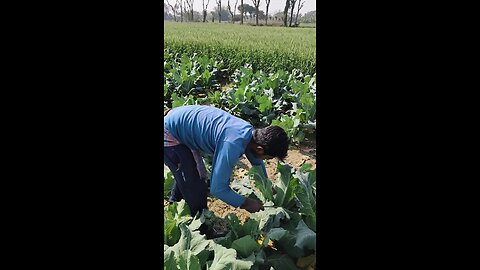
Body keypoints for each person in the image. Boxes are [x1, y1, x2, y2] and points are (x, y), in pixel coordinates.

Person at [163, 105, 289, 218]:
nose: (267, 160)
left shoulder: (249, 134)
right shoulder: (231, 144)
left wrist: (266, 184)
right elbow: (218, 189)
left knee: (190, 173)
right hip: (169, 133)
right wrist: (246, 203)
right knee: (196, 183)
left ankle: (175, 206)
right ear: (260, 149)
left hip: (180, 121)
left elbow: (256, 159)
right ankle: (200, 223)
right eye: (269, 158)